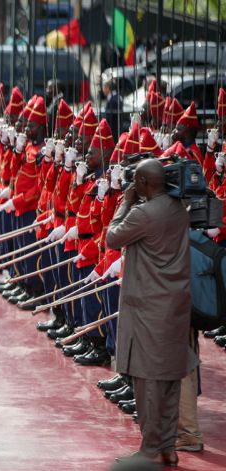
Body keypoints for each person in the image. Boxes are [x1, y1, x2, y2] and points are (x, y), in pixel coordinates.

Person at [106, 158, 197, 468]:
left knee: (147, 382)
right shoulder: (177, 208)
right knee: (171, 378)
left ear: (144, 183)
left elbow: (112, 236)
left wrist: (125, 203)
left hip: (149, 309)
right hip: (175, 306)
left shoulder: (144, 213)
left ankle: (149, 448)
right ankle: (168, 447)